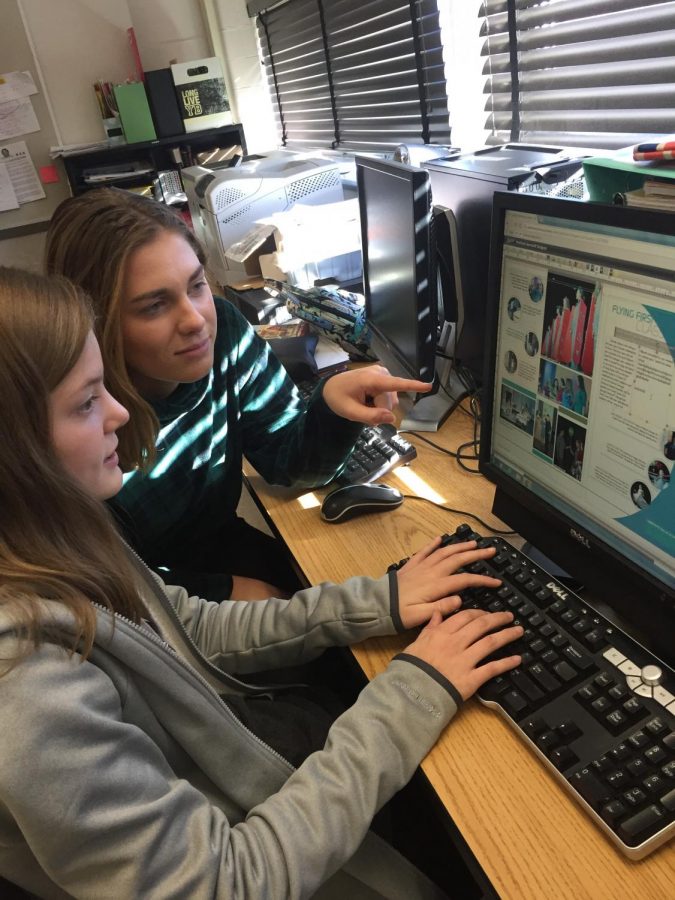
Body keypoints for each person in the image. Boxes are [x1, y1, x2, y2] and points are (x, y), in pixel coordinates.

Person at [0, 266, 522, 897]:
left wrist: (378, 601)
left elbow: (184, 627)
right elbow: (229, 883)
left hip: (236, 764)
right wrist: (413, 692)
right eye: (86, 402)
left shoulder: (50, 533)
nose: (118, 413)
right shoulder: (25, 681)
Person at [45, 188, 433, 603]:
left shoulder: (223, 333)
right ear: (96, 324)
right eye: (154, 306)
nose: (196, 320)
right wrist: (220, 592)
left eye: (196, 286)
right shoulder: (72, 419)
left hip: (216, 543)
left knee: (365, 583)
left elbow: (289, 465)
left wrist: (333, 409)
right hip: (143, 600)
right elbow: (98, 588)